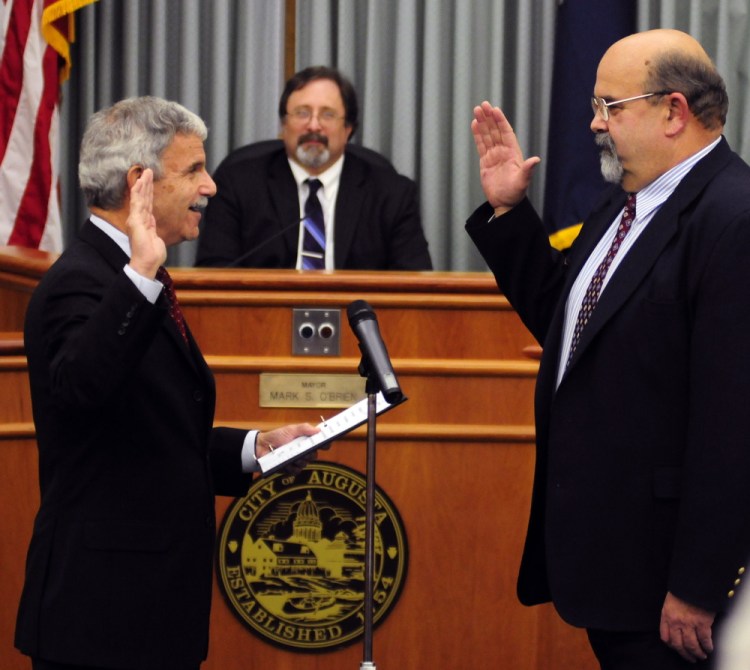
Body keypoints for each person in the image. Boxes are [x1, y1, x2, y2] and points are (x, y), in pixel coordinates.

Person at [466, 29, 750, 669]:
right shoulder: (623, 204)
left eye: (609, 107)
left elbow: (732, 426)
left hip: (675, 587)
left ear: (674, 111)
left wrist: (699, 586)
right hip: (613, 568)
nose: (593, 123)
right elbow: (577, 330)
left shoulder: (734, 219)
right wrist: (510, 213)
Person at [14, 96, 320, 670]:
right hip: (99, 620)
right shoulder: (81, 282)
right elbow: (83, 390)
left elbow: (152, 438)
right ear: (140, 183)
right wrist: (140, 275)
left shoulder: (137, 278)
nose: (211, 187)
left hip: (150, 616)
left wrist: (257, 448)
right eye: (193, 170)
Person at [194, 65, 432, 270]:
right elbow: (214, 271)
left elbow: (414, 281)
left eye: (328, 115)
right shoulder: (239, 184)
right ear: (284, 124)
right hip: (263, 320)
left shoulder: (391, 193)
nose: (314, 126)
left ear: (349, 128)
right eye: (302, 113)